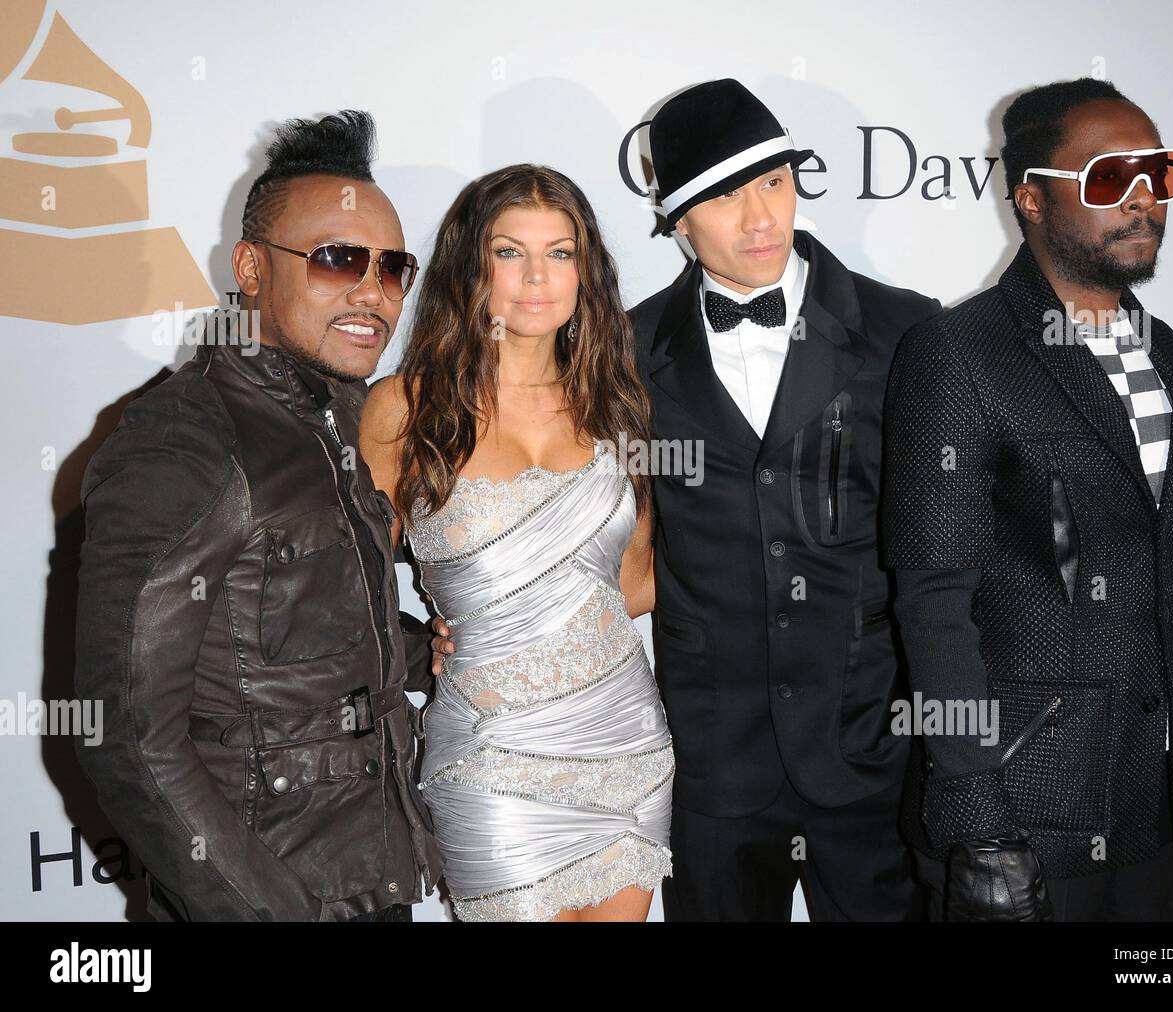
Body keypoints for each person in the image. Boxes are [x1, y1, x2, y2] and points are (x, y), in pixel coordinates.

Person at [882, 78, 1173, 921]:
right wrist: (978, 825)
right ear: (1033, 199)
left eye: (1158, 174)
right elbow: (934, 610)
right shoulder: (956, 352)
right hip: (1024, 812)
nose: (1143, 200)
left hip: (1152, 802)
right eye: (1110, 179)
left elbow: (1169, 568)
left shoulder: (1164, 350)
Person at [74, 110, 439, 921]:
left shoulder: (334, 421)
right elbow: (127, 734)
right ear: (250, 267)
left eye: (392, 267)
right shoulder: (185, 440)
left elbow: (300, 637)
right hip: (264, 890)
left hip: (369, 872)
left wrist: (426, 655)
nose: (372, 292)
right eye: (337, 260)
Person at [625, 79, 940, 920]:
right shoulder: (624, 351)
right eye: (726, 197)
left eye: (774, 183)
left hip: (870, 752)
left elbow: (948, 554)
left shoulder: (907, 330)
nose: (761, 217)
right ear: (677, 220)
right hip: (711, 764)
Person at [359, 164, 673, 921]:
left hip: (622, 742)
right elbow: (349, 590)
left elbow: (636, 583)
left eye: (560, 253)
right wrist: (419, 644)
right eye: (510, 252)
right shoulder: (404, 408)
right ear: (472, 265)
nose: (537, 277)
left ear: (585, 271)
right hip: (488, 757)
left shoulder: (618, 405)